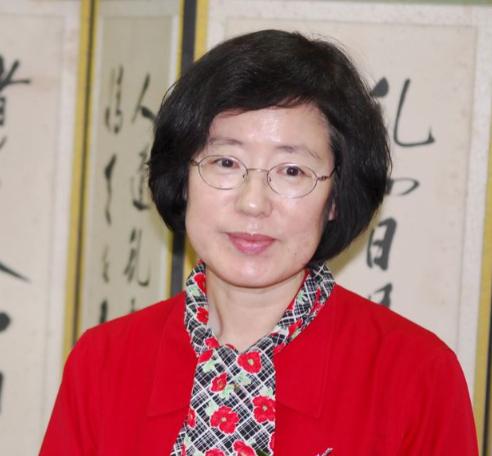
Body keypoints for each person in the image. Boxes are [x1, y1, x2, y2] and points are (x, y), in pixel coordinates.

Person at [40, 29, 478, 455]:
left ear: (335, 198)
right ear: (183, 178)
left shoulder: (417, 375)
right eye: (226, 162)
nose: (253, 203)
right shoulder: (104, 362)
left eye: (292, 171)